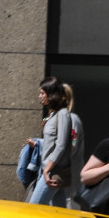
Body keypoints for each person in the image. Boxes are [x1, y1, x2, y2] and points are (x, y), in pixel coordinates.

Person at [27, 76, 72, 206]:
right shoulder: (54, 114)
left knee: (32, 209)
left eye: (42, 93)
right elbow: (53, 142)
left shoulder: (63, 114)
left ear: (51, 95)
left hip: (52, 172)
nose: (39, 96)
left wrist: (46, 171)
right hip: (49, 170)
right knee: (58, 215)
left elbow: (61, 145)